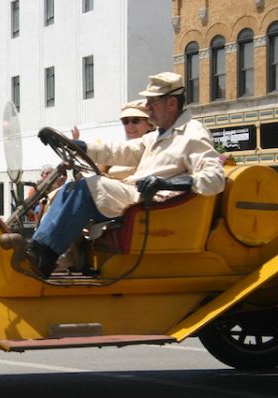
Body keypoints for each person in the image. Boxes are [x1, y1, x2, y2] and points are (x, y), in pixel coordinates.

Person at [23, 72, 225, 279]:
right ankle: (39, 251)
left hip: (151, 203)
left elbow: (215, 179)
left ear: (171, 103)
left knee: (88, 188)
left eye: (152, 102)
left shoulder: (193, 133)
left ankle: (42, 258)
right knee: (71, 188)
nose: (147, 107)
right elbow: (120, 151)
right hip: (138, 196)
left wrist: (167, 183)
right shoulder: (158, 136)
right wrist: (81, 146)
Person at [72, 99, 156, 180]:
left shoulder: (155, 148)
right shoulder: (118, 150)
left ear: (150, 124)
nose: (130, 126)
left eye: (135, 121)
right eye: (125, 121)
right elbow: (96, 172)